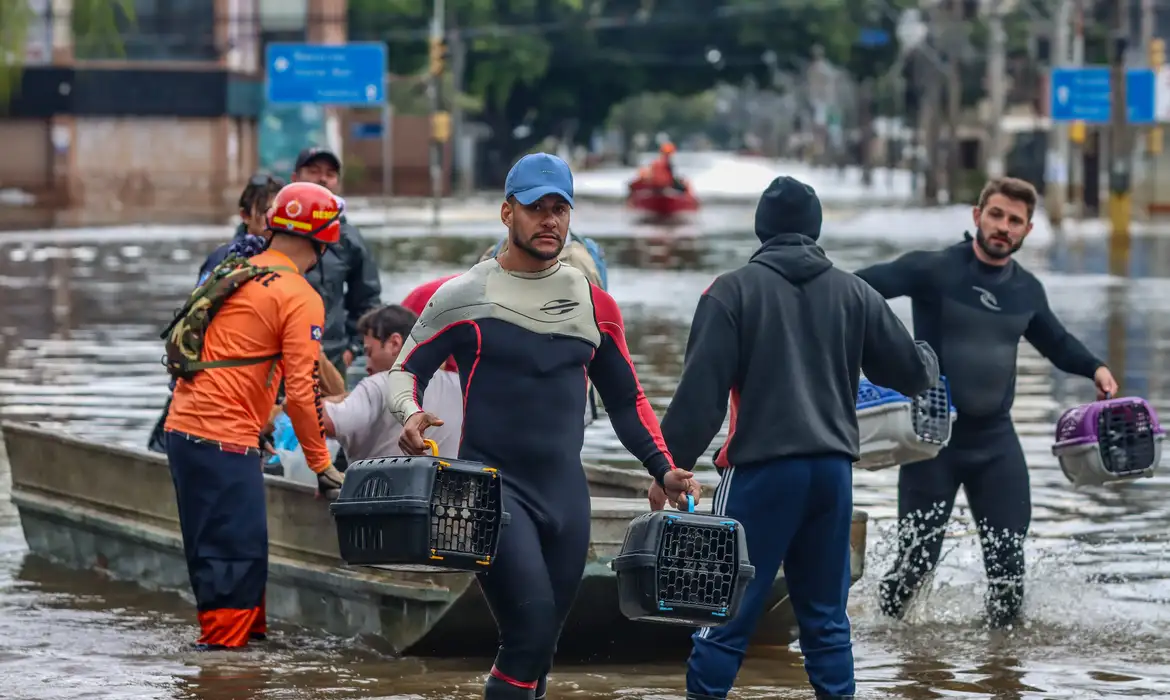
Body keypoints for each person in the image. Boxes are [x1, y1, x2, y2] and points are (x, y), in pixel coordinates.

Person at [385, 153, 701, 700]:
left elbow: (626, 400)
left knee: (540, 648)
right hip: (489, 494)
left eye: (560, 209)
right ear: (507, 213)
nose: (549, 220)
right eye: (536, 209)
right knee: (529, 636)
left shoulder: (593, 303)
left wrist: (663, 468)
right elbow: (403, 371)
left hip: (564, 497)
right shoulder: (464, 296)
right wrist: (410, 415)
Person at [654, 176, 939, 700]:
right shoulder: (856, 292)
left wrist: (665, 469)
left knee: (726, 611)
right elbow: (912, 373)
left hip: (761, 472)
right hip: (831, 476)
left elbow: (701, 401)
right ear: (816, 229)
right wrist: (928, 352)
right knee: (826, 622)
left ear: (762, 230)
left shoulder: (730, 291)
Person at [853, 176, 1119, 628]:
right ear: (977, 216)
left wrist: (1096, 368)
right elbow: (857, 290)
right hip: (931, 441)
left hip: (996, 444)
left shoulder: (1027, 290)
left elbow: (1056, 341)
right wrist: (876, 353)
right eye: (996, 214)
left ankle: (1001, 675)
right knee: (914, 567)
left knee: (1009, 573)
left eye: (1015, 220)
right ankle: (892, 660)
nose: (1003, 226)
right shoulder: (934, 269)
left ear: (1027, 231)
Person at [163, 181, 346, 650]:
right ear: (325, 238)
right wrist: (323, 466)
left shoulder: (240, 268)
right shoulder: (298, 294)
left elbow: (239, 357)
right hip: (221, 439)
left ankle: (243, 659)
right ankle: (223, 672)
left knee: (234, 558)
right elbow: (303, 394)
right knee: (234, 561)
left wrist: (261, 424)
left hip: (189, 431)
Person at [321, 304, 461, 460]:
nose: (367, 365)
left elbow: (325, 422)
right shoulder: (460, 386)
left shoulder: (379, 383)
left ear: (394, 343)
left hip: (385, 483)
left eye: (369, 352)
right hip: (453, 482)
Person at [290, 147, 383, 373]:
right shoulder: (275, 230)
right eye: (313, 171)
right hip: (278, 357)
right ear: (294, 179)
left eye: (330, 174)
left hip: (331, 359)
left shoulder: (349, 240)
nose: (322, 179)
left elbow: (367, 301)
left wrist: (352, 348)